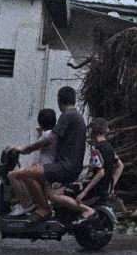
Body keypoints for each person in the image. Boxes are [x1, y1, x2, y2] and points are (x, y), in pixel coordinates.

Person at [7, 86, 86, 223]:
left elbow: (50, 139)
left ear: (59, 100)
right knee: (30, 173)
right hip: (70, 166)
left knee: (25, 173)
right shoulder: (77, 117)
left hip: (64, 167)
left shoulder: (67, 115)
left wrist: (25, 149)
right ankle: (39, 206)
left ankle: (43, 208)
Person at [48, 118, 121, 223]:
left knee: (53, 194)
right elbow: (120, 166)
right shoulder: (109, 148)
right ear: (106, 130)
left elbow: (100, 172)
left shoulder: (96, 148)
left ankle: (86, 209)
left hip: (94, 189)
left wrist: (83, 193)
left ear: (92, 131)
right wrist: (111, 186)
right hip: (103, 188)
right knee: (65, 188)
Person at [8, 108, 57, 216]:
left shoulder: (47, 135)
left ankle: (26, 205)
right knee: (26, 171)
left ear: (40, 122)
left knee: (13, 175)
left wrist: (17, 149)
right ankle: (31, 202)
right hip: (49, 168)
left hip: (44, 169)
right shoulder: (52, 134)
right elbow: (42, 145)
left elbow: (30, 148)